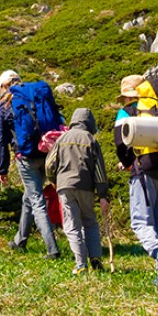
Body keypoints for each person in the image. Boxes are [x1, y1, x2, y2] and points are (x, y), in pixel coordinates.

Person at [113, 74, 158, 292]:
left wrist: (127, 163)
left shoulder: (127, 112)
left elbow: (121, 144)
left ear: (126, 96)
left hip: (144, 170)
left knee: (140, 223)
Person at [0, 70, 60, 259]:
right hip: (47, 151)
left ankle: (52, 249)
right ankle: (20, 240)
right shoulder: (36, 94)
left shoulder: (4, 105)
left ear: (3, 86)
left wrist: (2, 168)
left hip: (25, 157)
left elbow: (2, 139)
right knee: (29, 196)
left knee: (36, 200)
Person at [45, 108, 111, 274]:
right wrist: (103, 195)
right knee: (90, 221)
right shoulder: (91, 139)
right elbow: (99, 171)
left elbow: (49, 165)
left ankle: (81, 265)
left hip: (65, 187)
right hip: (86, 187)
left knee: (72, 225)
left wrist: (54, 180)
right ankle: (95, 257)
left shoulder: (62, 138)